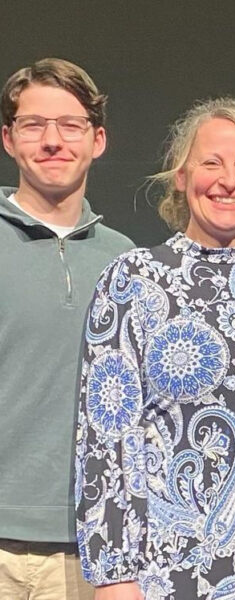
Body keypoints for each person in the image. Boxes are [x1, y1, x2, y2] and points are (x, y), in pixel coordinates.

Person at [75, 98, 235, 600]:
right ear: (180, 177)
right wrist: (115, 575)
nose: (229, 180)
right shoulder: (132, 281)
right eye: (211, 163)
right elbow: (107, 437)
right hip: (168, 570)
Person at [0, 58, 134, 600]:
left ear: (97, 140)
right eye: (33, 125)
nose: (52, 141)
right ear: (8, 139)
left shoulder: (126, 261)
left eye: (70, 125)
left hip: (87, 546)